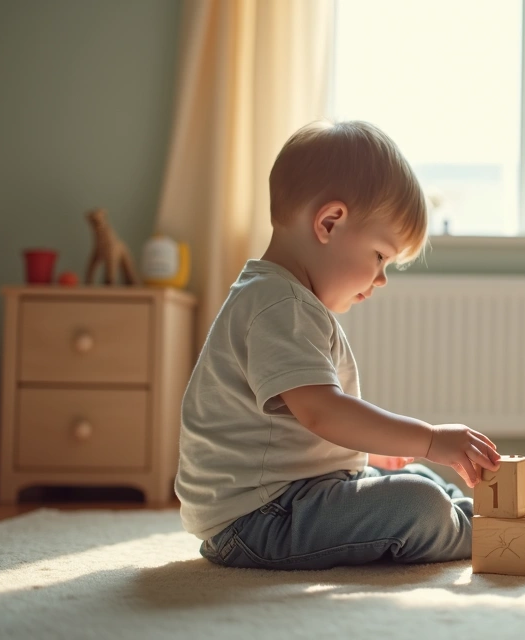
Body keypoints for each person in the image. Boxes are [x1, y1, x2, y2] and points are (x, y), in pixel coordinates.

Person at [175, 120, 500, 570]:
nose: (381, 279)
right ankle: (493, 534)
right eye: (381, 256)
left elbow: (302, 420)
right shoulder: (280, 304)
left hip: (284, 497)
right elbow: (322, 412)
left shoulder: (280, 298)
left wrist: (363, 450)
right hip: (258, 518)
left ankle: (472, 517)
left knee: (417, 476)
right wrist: (429, 438)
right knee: (417, 500)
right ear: (329, 222)